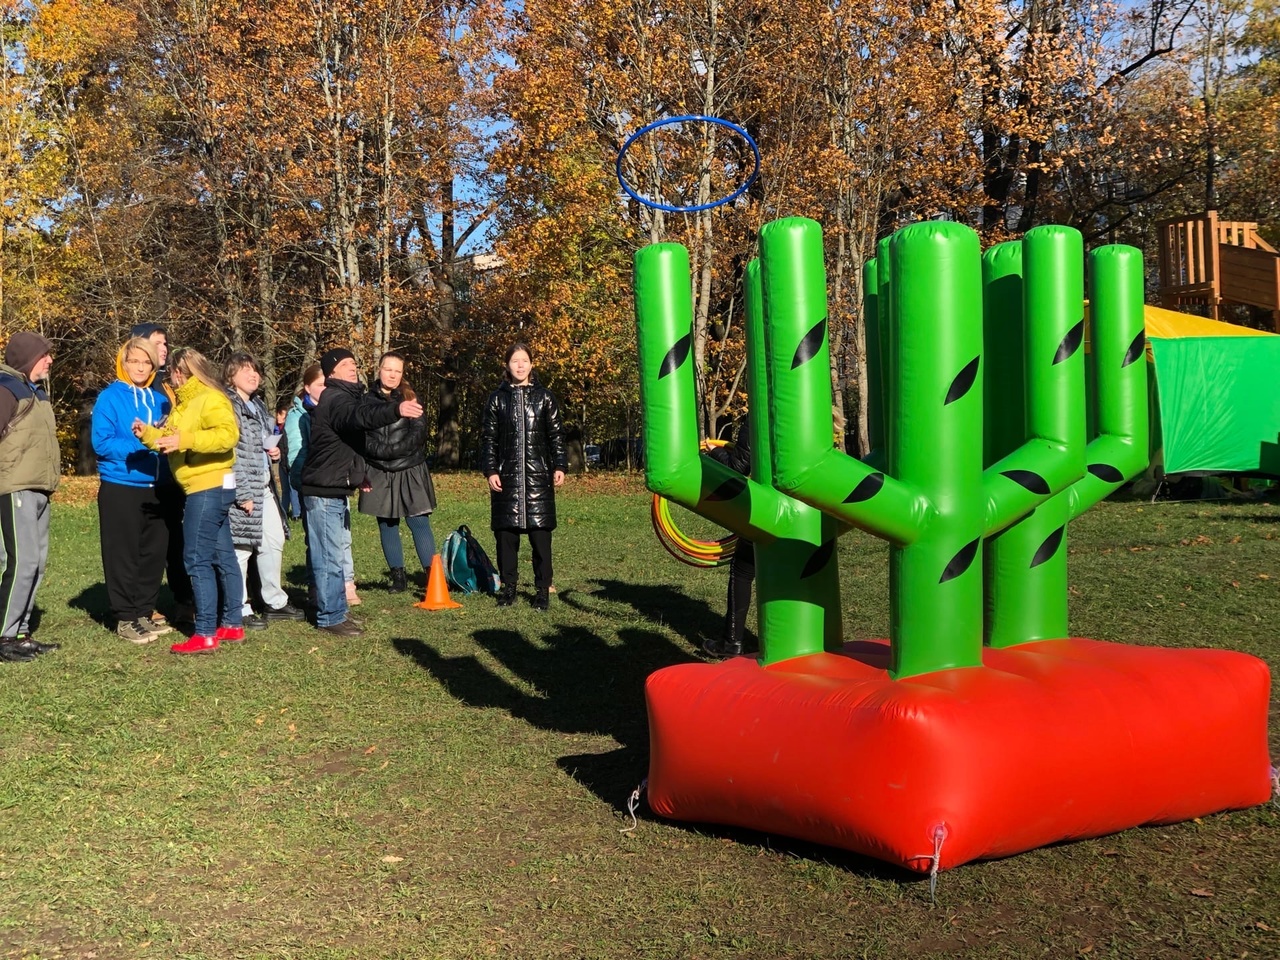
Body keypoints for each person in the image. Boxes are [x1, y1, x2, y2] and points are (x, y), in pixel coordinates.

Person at [300, 347, 422, 636]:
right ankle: (330, 617)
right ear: (331, 372)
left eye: (354, 362)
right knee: (329, 556)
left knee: (335, 555)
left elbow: (349, 442)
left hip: (334, 488)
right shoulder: (336, 398)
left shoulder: (346, 397)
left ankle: (336, 610)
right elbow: (359, 418)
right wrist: (396, 409)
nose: (352, 367)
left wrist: (358, 474)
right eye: (345, 364)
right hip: (323, 490)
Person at [136, 348, 244, 654]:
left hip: (207, 487)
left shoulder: (210, 398)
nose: (170, 377)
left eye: (172, 371)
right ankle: (232, 625)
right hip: (209, 487)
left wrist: (187, 440)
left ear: (182, 371)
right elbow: (170, 440)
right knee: (223, 556)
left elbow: (227, 435)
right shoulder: (184, 404)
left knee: (196, 558)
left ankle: (206, 631)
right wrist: (147, 434)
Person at [91, 337, 175, 644]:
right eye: (134, 362)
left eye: (146, 362)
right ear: (123, 364)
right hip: (121, 485)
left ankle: (143, 612)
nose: (140, 368)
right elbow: (101, 443)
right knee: (123, 554)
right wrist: (143, 443)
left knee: (153, 553)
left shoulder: (160, 399)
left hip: (158, 487)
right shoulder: (110, 398)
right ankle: (125, 618)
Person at [479, 342, 567, 611]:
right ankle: (508, 588)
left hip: (538, 479)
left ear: (532, 365)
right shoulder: (497, 399)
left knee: (541, 538)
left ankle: (542, 590)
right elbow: (488, 439)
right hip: (506, 480)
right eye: (515, 361)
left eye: (524, 360)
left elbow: (556, 436)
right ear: (507, 365)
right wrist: (491, 470)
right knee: (506, 536)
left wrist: (559, 465)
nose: (520, 365)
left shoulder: (546, 398)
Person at [224, 353, 304, 630]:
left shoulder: (257, 405)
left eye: (256, 370)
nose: (253, 375)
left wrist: (273, 453)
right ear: (231, 375)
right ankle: (239, 607)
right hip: (242, 488)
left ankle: (275, 602)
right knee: (241, 549)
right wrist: (242, 492)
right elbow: (229, 454)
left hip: (264, 486)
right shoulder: (228, 406)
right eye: (246, 370)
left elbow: (259, 446)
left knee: (274, 540)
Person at [0, 332, 62, 662]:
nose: (50, 360)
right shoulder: (6, 388)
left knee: (36, 564)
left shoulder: (37, 393)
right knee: (21, 562)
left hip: (39, 487)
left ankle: (21, 633)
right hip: (15, 487)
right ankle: (4, 635)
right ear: (27, 358)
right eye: (44, 355)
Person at [129, 322, 194, 629]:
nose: (164, 349)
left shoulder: (171, 384)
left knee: (178, 542)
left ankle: (184, 601)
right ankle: (146, 604)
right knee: (152, 544)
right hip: (147, 476)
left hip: (176, 475)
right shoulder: (137, 389)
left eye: (166, 343)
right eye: (157, 343)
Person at [359, 352, 438, 592]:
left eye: (397, 371)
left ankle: (433, 578)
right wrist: (380, 452)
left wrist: (395, 450)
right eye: (388, 369)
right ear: (379, 370)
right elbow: (361, 434)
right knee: (387, 524)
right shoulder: (364, 401)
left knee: (418, 521)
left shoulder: (411, 397)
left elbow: (419, 433)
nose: (392, 375)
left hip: (410, 467)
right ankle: (398, 577)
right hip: (378, 468)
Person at [703, 422, 755, 658]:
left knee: (742, 571)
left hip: (771, 510)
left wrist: (714, 450)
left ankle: (731, 643)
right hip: (810, 511)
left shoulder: (759, 415)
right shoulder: (814, 413)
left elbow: (738, 467)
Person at [275, 399, 301, 520]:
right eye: (280, 414)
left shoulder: (287, 428)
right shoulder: (276, 429)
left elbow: (288, 447)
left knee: (293, 489)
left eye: (283, 416)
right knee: (285, 490)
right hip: (282, 463)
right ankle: (283, 512)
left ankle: (296, 513)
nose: (280, 418)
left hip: (289, 462)